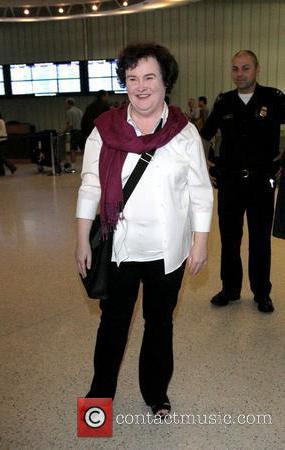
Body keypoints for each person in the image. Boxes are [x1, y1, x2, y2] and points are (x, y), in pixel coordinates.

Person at [75, 42, 213, 418]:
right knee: (113, 324)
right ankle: (100, 394)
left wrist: (200, 243)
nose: (140, 86)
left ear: (165, 81)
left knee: (159, 323)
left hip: (168, 252)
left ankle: (156, 393)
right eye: (132, 78)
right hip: (120, 247)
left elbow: (201, 192)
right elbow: (91, 185)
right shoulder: (104, 130)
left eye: (149, 76)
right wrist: (81, 239)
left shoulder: (185, 134)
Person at [201, 50, 285, 313]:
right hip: (230, 182)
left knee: (260, 240)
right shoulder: (224, 101)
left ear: (256, 69)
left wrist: (283, 160)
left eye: (245, 68)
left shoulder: (273, 98)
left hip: (262, 181)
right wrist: (204, 163)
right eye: (235, 69)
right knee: (229, 239)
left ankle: (262, 292)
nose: (240, 74)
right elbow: (205, 135)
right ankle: (230, 289)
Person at [64, 98, 84, 170]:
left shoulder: (69, 112)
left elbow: (70, 125)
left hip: (75, 132)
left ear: (68, 104)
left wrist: (64, 131)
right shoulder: (80, 111)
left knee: (73, 149)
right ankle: (86, 165)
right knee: (83, 149)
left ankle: (73, 166)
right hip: (82, 132)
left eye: (65, 104)